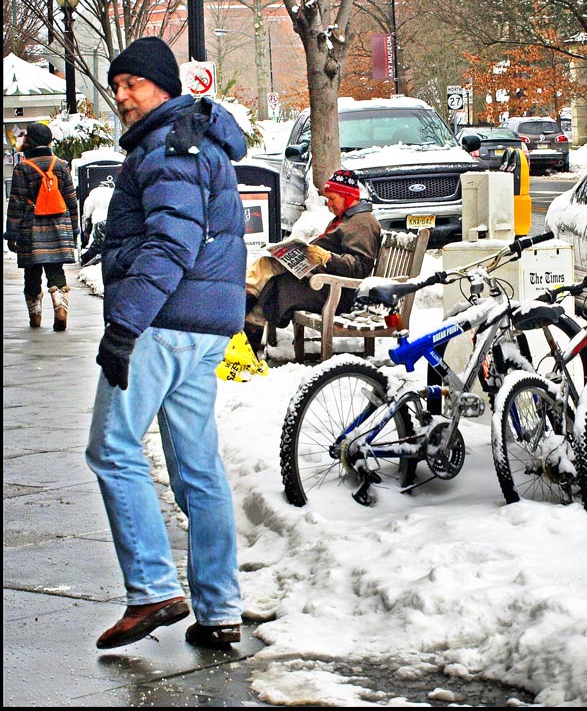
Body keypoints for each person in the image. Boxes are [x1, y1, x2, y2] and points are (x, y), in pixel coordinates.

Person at [85, 36, 248, 650]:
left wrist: (125, 326)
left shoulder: (168, 145)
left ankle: (152, 587)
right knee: (196, 467)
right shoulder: (196, 140)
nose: (121, 96)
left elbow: (171, 245)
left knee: (112, 448)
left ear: (164, 86)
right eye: (117, 84)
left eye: (133, 84)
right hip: (204, 325)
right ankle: (219, 608)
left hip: (162, 323)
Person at [243, 168, 382, 353]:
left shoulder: (362, 223)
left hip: (337, 293)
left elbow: (359, 267)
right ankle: (238, 330)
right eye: (328, 199)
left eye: (333, 198)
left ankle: (239, 334)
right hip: (323, 282)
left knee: (273, 286)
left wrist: (328, 258)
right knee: (265, 266)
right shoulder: (348, 219)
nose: (329, 204)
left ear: (347, 196)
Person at [4, 123, 79, 330]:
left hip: (31, 228)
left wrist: (12, 233)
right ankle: (60, 307)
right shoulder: (61, 165)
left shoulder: (23, 168)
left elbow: (17, 202)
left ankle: (35, 315)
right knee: (56, 269)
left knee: (32, 273)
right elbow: (71, 200)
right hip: (59, 226)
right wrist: (73, 228)